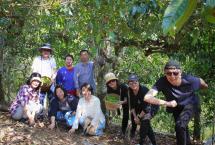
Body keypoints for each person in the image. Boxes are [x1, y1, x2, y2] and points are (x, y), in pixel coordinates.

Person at [143, 60, 208, 145]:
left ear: (180, 72)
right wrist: (167, 103)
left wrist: (206, 86)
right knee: (181, 129)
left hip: (191, 103)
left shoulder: (190, 80)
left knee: (180, 125)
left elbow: (201, 81)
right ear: (165, 73)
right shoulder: (162, 81)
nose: (172, 76)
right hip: (176, 106)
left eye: (175, 73)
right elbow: (147, 97)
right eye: (169, 73)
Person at [128, 74, 157, 145]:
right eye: (131, 82)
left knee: (144, 122)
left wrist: (138, 117)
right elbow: (132, 107)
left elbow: (146, 108)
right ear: (128, 84)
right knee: (147, 126)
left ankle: (141, 142)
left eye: (135, 82)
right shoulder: (129, 91)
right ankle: (154, 143)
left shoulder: (144, 90)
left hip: (152, 107)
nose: (133, 84)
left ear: (138, 82)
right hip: (142, 108)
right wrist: (135, 118)